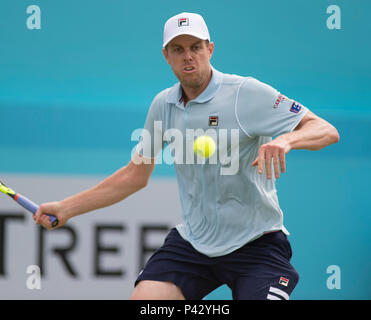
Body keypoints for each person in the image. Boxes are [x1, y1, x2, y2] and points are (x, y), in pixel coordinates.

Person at [34, 12, 340, 300]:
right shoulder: (163, 105)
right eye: (178, 49)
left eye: (195, 47)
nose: (188, 56)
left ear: (210, 49)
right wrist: (66, 208)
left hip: (257, 243)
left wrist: (286, 141)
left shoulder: (245, 93)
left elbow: (325, 130)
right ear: (166, 56)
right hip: (194, 245)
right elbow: (134, 175)